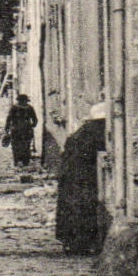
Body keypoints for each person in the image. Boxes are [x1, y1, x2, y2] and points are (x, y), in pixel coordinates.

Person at [56, 102, 109, 253]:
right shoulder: (99, 133)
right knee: (85, 209)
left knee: (72, 209)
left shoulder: (79, 133)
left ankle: (71, 242)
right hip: (87, 179)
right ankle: (84, 243)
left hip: (71, 178)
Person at [4, 94, 39, 168]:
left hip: (16, 129)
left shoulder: (14, 108)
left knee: (16, 145)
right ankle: (25, 161)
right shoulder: (29, 108)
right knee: (26, 145)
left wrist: (7, 129)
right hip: (26, 129)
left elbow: (9, 119)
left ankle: (17, 161)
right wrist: (32, 125)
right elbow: (35, 120)